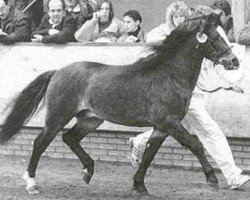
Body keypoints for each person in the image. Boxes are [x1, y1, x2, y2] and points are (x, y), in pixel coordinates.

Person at [129, 3, 250, 190]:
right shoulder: (165, 36)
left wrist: (232, 82)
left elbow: (215, 65)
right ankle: (232, 175)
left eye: (182, 17)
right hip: (180, 95)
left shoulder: (198, 39)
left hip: (195, 94)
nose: (179, 20)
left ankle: (140, 140)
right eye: (176, 16)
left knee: (173, 130)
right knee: (211, 132)